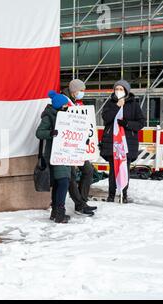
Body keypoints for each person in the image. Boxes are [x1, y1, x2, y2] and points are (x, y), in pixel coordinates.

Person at [100, 80, 145, 203]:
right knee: (113, 170)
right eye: (116, 89)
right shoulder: (110, 103)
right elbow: (106, 117)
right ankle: (111, 194)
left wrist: (127, 124)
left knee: (124, 168)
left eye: (121, 89)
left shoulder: (134, 105)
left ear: (126, 91)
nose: (118, 91)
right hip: (112, 142)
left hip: (127, 142)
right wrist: (117, 106)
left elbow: (141, 123)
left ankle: (123, 194)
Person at [36, 90, 72, 223]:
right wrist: (51, 133)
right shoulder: (49, 116)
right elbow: (39, 133)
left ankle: (55, 212)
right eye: (64, 105)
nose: (66, 106)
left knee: (59, 182)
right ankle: (60, 213)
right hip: (54, 153)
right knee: (63, 181)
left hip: (65, 152)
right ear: (59, 105)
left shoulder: (65, 115)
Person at [62, 79, 96, 216]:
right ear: (73, 90)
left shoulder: (77, 102)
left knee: (88, 170)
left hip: (78, 144)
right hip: (67, 145)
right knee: (71, 175)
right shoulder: (64, 101)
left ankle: (82, 200)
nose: (82, 93)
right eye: (81, 91)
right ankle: (79, 204)